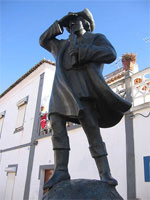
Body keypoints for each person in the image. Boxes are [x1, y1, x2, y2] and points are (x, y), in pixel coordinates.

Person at [39, 8, 131, 190]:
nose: (71, 24)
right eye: (69, 23)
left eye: (75, 20)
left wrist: (82, 52)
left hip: (84, 90)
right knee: (56, 126)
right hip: (61, 91)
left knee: (92, 132)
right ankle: (61, 171)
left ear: (86, 23)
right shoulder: (61, 45)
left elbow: (110, 53)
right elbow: (43, 40)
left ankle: (105, 173)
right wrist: (58, 24)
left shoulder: (95, 38)